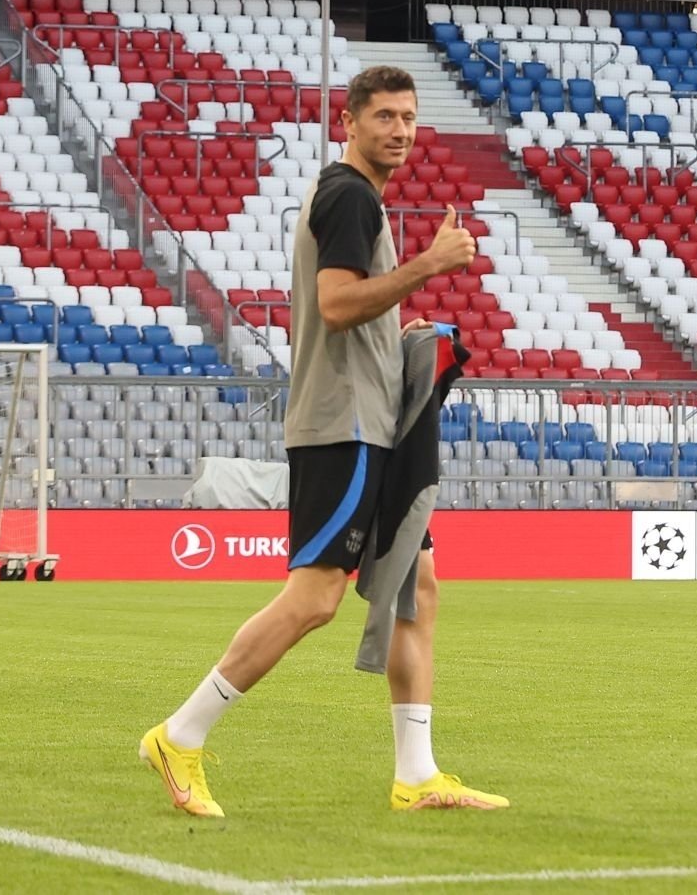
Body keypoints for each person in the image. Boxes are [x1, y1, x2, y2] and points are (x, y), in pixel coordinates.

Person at [140, 66, 508, 816]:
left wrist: (398, 334)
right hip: (342, 426)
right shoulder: (348, 196)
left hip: (372, 419)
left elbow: (351, 311)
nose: (400, 130)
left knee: (418, 585)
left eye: (408, 116)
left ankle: (416, 773)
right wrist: (429, 268)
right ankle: (180, 733)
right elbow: (337, 304)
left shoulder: (357, 198)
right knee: (313, 600)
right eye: (385, 117)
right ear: (350, 121)